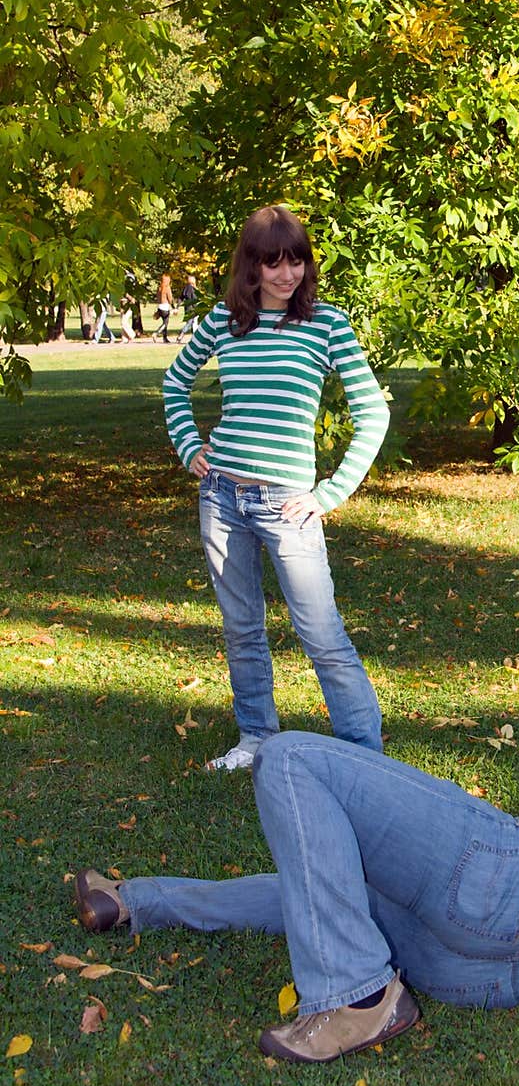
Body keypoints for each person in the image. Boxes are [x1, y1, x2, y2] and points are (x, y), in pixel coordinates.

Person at [72, 700, 519, 1064]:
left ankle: (356, 996)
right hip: (497, 976)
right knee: (328, 886)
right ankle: (135, 901)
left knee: (290, 761)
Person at [162, 204, 390, 772]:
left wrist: (327, 495)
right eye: (273, 264)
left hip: (287, 504)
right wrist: (192, 447)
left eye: (296, 262)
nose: (287, 275)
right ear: (252, 267)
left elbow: (372, 414)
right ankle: (256, 737)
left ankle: (367, 757)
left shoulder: (327, 324)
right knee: (242, 628)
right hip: (221, 497)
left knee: (321, 634)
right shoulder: (223, 322)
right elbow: (175, 382)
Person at [152, 273, 174, 343]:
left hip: (159, 306)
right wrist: (173, 307)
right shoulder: (167, 288)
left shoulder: (159, 287)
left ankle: (165, 338)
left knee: (164, 322)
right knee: (165, 323)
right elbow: (170, 298)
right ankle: (156, 333)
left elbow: (157, 297)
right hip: (165, 307)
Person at [177, 276, 200, 342]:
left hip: (187, 308)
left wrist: (177, 306)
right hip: (192, 308)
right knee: (190, 323)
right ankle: (181, 335)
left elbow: (180, 298)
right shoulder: (192, 288)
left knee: (192, 322)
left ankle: (193, 338)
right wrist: (197, 308)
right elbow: (194, 299)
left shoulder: (186, 288)